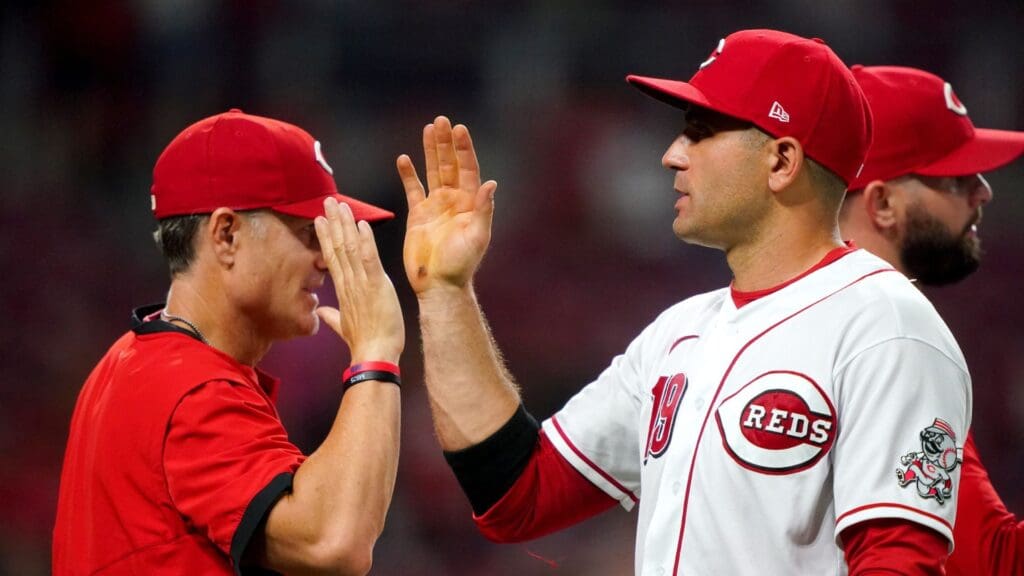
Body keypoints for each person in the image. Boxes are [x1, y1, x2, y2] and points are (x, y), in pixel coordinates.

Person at [397, 29, 972, 574]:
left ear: (781, 161)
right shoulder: (679, 333)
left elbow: (899, 560)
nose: (672, 154)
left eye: (700, 130)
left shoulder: (886, 325)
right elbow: (516, 492)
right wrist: (447, 293)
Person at [53, 109, 405, 575]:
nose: (325, 260)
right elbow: (332, 543)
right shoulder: (192, 388)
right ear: (226, 235)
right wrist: (376, 354)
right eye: (307, 233)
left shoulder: (130, 362)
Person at [839, 65, 1024, 575]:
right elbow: (991, 561)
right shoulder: (887, 335)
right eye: (957, 176)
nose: (983, 191)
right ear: (882, 203)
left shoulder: (712, 324)